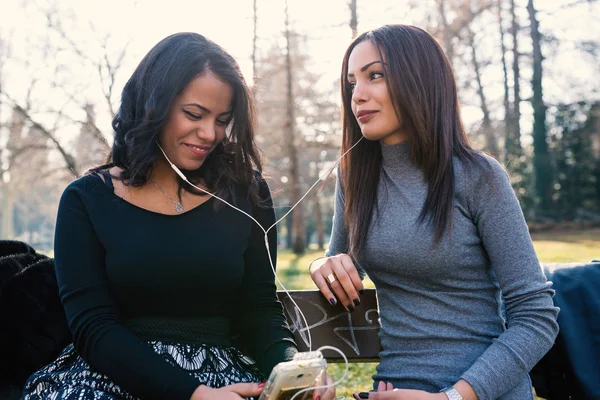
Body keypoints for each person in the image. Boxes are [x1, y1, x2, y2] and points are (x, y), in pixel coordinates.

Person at [22, 32, 334, 400]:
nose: (210, 134)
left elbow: (259, 309)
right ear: (153, 106)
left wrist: (294, 369)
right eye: (194, 114)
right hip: (113, 379)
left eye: (222, 119)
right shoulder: (85, 200)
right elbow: (94, 328)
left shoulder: (245, 192)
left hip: (224, 377)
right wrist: (193, 394)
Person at [309, 25, 559, 400]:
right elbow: (344, 269)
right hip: (394, 387)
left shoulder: (478, 176)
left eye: (375, 76)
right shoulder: (355, 177)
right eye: (351, 83)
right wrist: (321, 266)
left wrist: (451, 398)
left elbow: (536, 317)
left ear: (419, 79)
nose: (357, 96)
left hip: (481, 391)